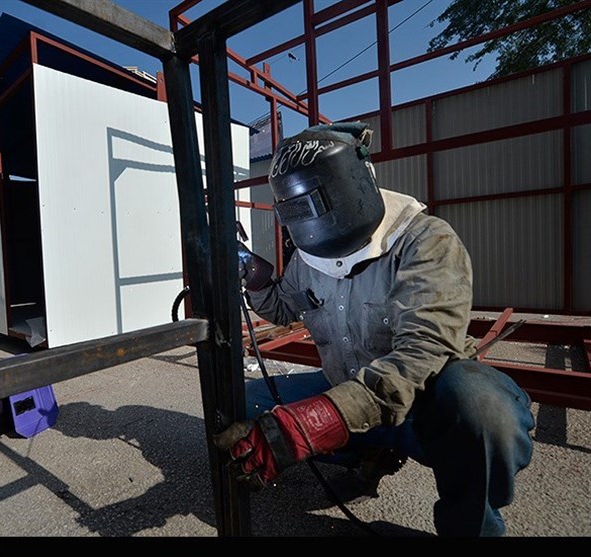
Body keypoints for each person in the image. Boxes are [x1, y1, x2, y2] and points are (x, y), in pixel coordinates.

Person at [216, 122, 535, 537]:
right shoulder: (311, 255)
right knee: (243, 402)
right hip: (348, 389)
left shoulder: (425, 241)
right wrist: (254, 274)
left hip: (426, 403)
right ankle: (367, 454)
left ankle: (472, 528)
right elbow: (282, 307)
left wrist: (315, 421)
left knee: (483, 410)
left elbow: (422, 351)